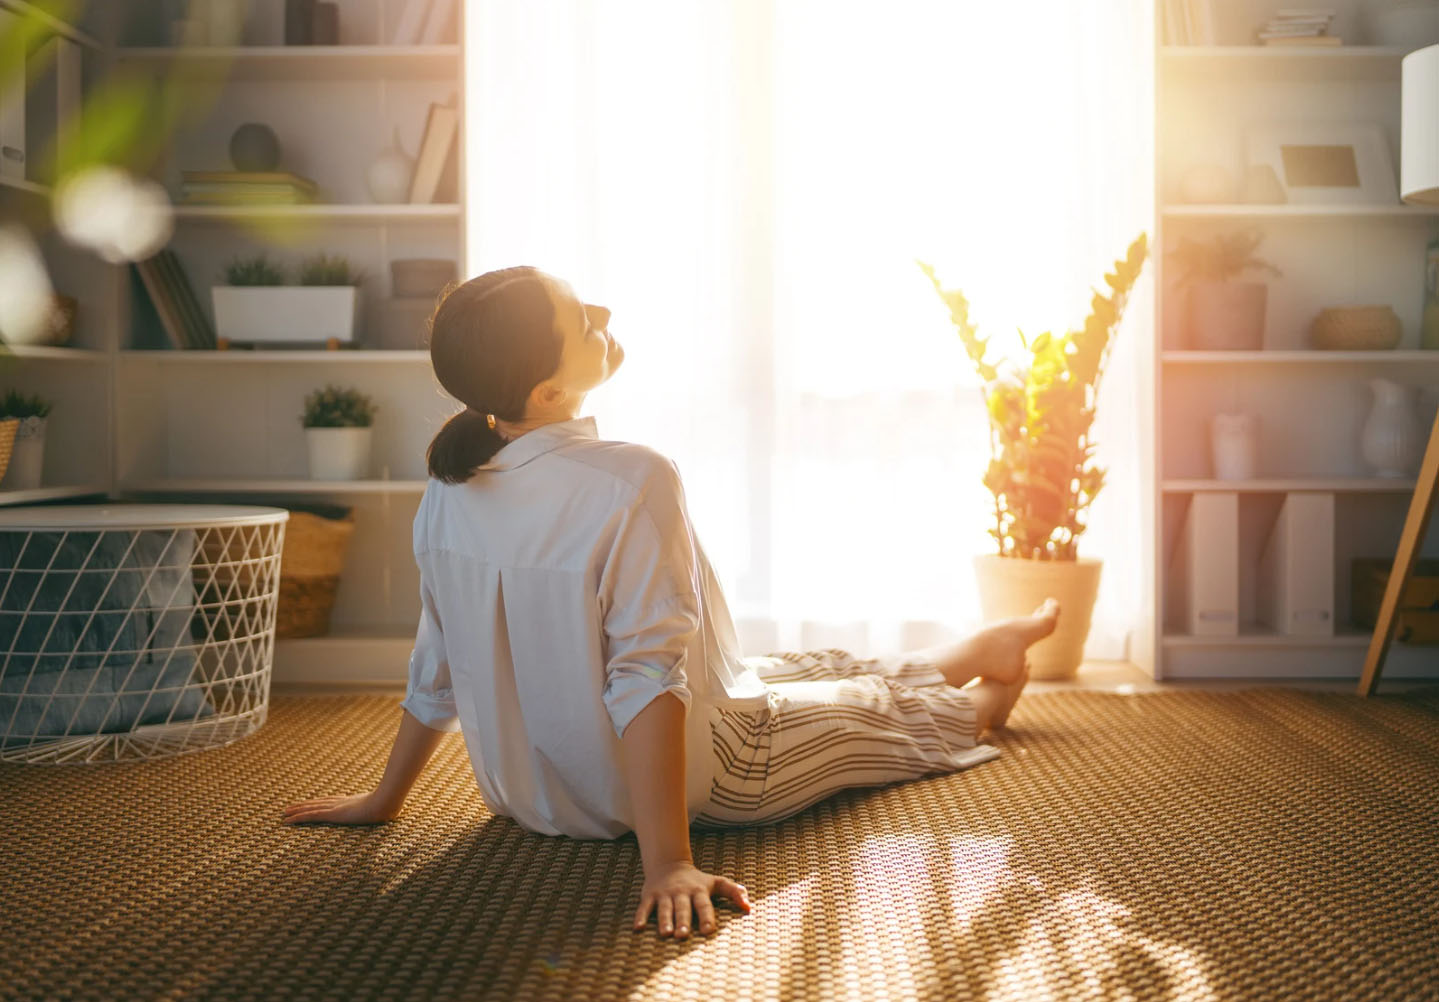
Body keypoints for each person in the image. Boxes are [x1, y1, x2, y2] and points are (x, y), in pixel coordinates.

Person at [281, 266, 1061, 941]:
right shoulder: (630, 479)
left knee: (798, 666)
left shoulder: (448, 489)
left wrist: (387, 800)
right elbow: (646, 678)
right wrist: (671, 863)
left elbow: (437, 659)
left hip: (530, 796)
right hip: (714, 773)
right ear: (547, 389)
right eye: (580, 319)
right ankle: (992, 692)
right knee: (873, 715)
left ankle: (972, 651)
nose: (604, 318)